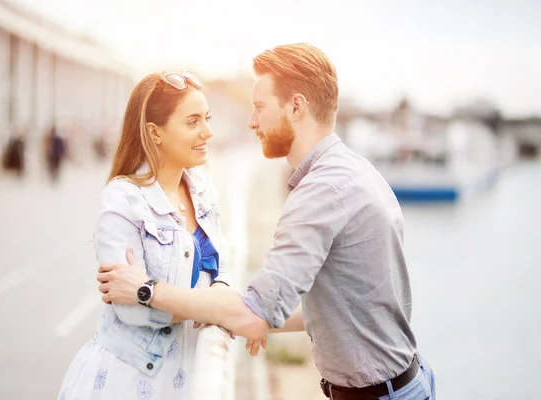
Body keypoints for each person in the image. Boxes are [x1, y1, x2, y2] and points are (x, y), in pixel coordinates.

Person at [98, 43, 436, 400]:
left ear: (296, 106)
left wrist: (146, 289)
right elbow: (340, 306)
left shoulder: (319, 192)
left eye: (259, 107)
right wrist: (248, 316)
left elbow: (253, 317)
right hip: (403, 383)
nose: (252, 121)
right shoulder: (353, 171)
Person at [58, 70, 231, 400]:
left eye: (207, 118)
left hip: (190, 374)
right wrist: (217, 306)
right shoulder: (122, 199)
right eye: (192, 121)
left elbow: (222, 272)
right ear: (155, 132)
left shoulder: (204, 191)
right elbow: (133, 310)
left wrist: (153, 291)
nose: (207, 132)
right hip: (130, 380)